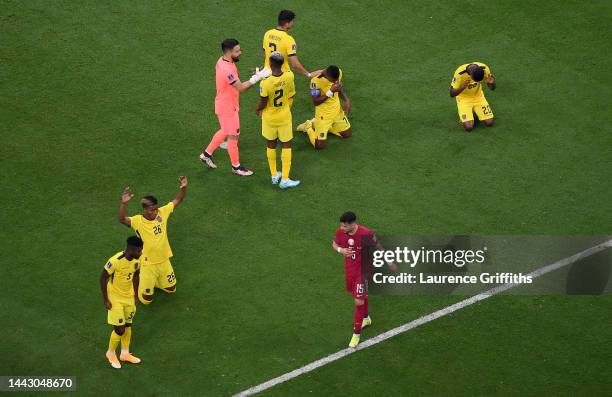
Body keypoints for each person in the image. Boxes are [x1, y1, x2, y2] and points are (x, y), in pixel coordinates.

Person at [200, 39, 270, 175]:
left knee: (225, 131)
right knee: (234, 135)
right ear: (229, 52)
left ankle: (206, 154)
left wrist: (256, 74)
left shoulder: (222, 61)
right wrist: (258, 78)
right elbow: (241, 88)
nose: (240, 53)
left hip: (225, 103)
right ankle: (236, 167)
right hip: (227, 107)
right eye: (237, 51)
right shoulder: (226, 69)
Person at [117, 176, 187, 305]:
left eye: (156, 208)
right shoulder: (137, 221)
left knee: (171, 289)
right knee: (146, 300)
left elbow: (178, 199)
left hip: (164, 259)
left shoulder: (162, 213)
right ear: (145, 210)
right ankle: (143, 282)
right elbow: (121, 219)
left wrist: (183, 187)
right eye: (152, 210)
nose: (155, 212)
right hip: (148, 264)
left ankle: (154, 282)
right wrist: (123, 204)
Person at [332, 212, 380, 348]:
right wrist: (341, 250)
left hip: (363, 272)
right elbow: (334, 244)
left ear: (353, 224)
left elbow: (377, 245)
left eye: (345, 226)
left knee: (358, 301)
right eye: (341, 225)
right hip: (350, 271)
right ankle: (366, 318)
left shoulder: (365, 233)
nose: (342, 228)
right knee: (360, 296)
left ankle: (356, 334)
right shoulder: (341, 231)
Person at [255, 52, 300, 189]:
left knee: (271, 144)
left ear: (271, 63)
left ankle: (274, 175)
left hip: (269, 118)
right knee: (286, 145)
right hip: (284, 117)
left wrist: (257, 110)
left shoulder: (265, 83)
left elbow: (263, 101)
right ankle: (285, 179)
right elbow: (292, 93)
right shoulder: (290, 76)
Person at [100, 236, 143, 369]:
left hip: (129, 296)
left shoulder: (137, 260)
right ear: (131, 249)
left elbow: (136, 275)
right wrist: (106, 299)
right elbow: (102, 278)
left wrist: (136, 295)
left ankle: (124, 353)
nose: (141, 253)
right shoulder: (115, 261)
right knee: (120, 329)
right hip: (115, 297)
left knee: (128, 325)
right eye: (139, 251)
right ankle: (110, 353)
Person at [296, 66, 352, 150]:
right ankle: (308, 126)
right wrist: (331, 91)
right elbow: (316, 102)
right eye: (333, 80)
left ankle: (327, 127)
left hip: (337, 111)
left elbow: (338, 88)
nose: (335, 82)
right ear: (327, 76)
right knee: (319, 146)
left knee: (347, 134)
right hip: (323, 116)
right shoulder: (315, 82)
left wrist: (346, 100)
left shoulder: (338, 72)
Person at [262, 10, 320, 78]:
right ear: (287, 23)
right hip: (282, 76)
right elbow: (294, 63)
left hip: (267, 73)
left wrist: (264, 67)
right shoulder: (288, 39)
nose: (293, 23)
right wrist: (308, 74)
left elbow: (265, 55)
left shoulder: (267, 33)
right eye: (292, 21)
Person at [449, 62, 496, 132]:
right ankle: (465, 112)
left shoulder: (485, 68)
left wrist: (492, 84)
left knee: (489, 123)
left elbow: (492, 88)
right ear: (470, 75)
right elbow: (452, 93)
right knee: (468, 127)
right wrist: (463, 87)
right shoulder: (460, 73)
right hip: (464, 99)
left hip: (479, 97)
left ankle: (473, 112)